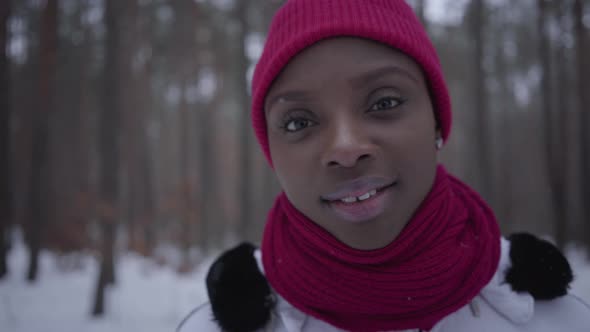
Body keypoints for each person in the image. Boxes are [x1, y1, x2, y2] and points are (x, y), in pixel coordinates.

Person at [178, 0, 590, 331]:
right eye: (299, 122)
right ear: (272, 153)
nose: (346, 148)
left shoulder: (559, 320)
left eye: (385, 102)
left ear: (436, 122)